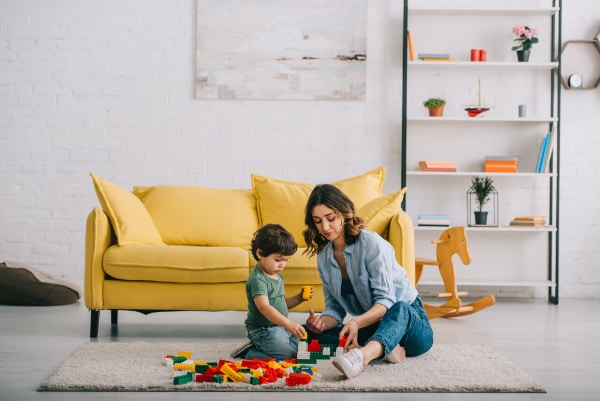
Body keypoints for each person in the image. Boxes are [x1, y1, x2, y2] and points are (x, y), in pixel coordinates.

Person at [302, 184, 433, 379]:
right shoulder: (324, 257)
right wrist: (320, 324)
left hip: (411, 325)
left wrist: (355, 321)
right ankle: (384, 347)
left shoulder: (371, 244)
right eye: (318, 221)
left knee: (400, 307)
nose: (325, 227)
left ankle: (361, 356)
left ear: (345, 213)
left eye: (331, 219)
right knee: (306, 333)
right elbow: (334, 310)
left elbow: (386, 302)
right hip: (373, 326)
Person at [231, 223, 314, 360]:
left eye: (286, 261)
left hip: (280, 326)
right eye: (277, 260)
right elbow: (264, 307)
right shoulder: (258, 280)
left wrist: (299, 298)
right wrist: (288, 323)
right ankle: (248, 352)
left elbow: (280, 303)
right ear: (260, 254)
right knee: (287, 356)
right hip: (263, 331)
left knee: (298, 351)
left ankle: (270, 347)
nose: (282, 265)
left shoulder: (276, 274)